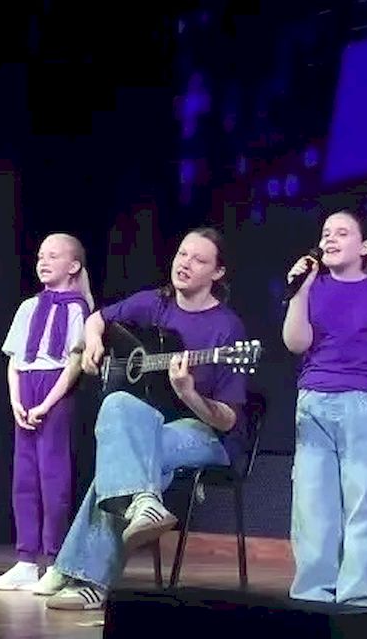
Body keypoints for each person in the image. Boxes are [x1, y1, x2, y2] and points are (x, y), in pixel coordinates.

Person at [39, 227, 250, 612]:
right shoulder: (155, 303)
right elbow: (97, 318)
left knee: (125, 461)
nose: (185, 264)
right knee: (118, 402)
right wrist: (94, 341)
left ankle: (84, 573)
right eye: (182, 254)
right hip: (150, 424)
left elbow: (227, 421)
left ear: (218, 273)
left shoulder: (227, 328)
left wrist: (188, 393)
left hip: (207, 436)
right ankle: (144, 504)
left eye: (199, 260)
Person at [282, 210, 367, 607]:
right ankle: (313, 596)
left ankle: (363, 598)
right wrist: (300, 290)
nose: (330, 239)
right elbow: (295, 342)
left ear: (365, 246)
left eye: (342, 233)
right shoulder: (312, 288)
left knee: (366, 506)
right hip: (314, 402)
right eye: (326, 233)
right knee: (312, 508)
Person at [0, 234, 94, 591]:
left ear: (74, 266)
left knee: (53, 479)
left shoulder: (78, 310)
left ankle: (55, 559)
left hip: (55, 390)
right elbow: (14, 360)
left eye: (53, 256)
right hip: (26, 389)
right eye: (40, 256)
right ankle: (25, 560)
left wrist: (47, 403)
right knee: (24, 478)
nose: (43, 262)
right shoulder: (28, 307)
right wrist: (15, 401)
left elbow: (74, 362)